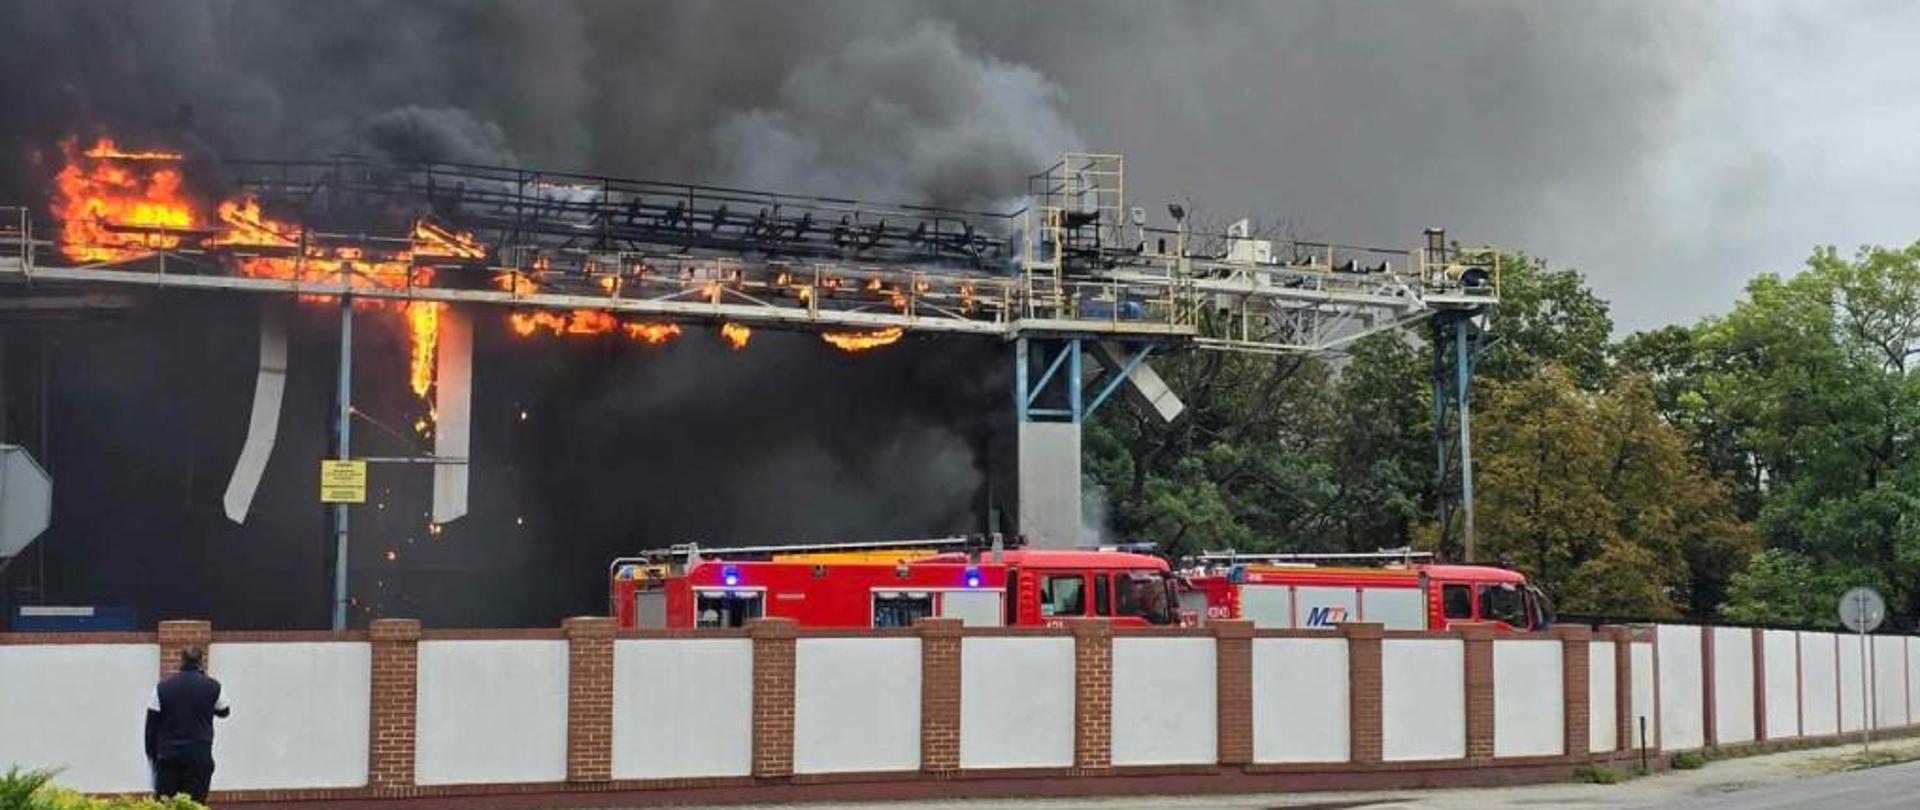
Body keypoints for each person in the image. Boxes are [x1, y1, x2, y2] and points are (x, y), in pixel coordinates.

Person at [145, 645, 230, 803]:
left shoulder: (162, 688)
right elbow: (224, 711)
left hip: (168, 757)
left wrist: (152, 755)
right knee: (194, 803)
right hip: (198, 755)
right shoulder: (213, 686)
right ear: (201, 661)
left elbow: (151, 726)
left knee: (166, 804)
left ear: (182, 660)